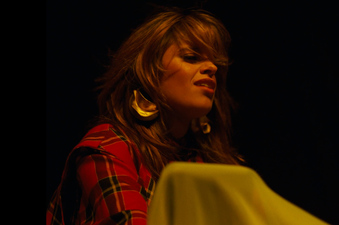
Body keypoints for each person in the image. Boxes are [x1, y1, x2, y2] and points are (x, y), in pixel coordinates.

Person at [46, 7, 244, 225]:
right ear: (149, 72)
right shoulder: (107, 148)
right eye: (191, 57)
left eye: (215, 61)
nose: (212, 67)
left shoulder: (215, 164)